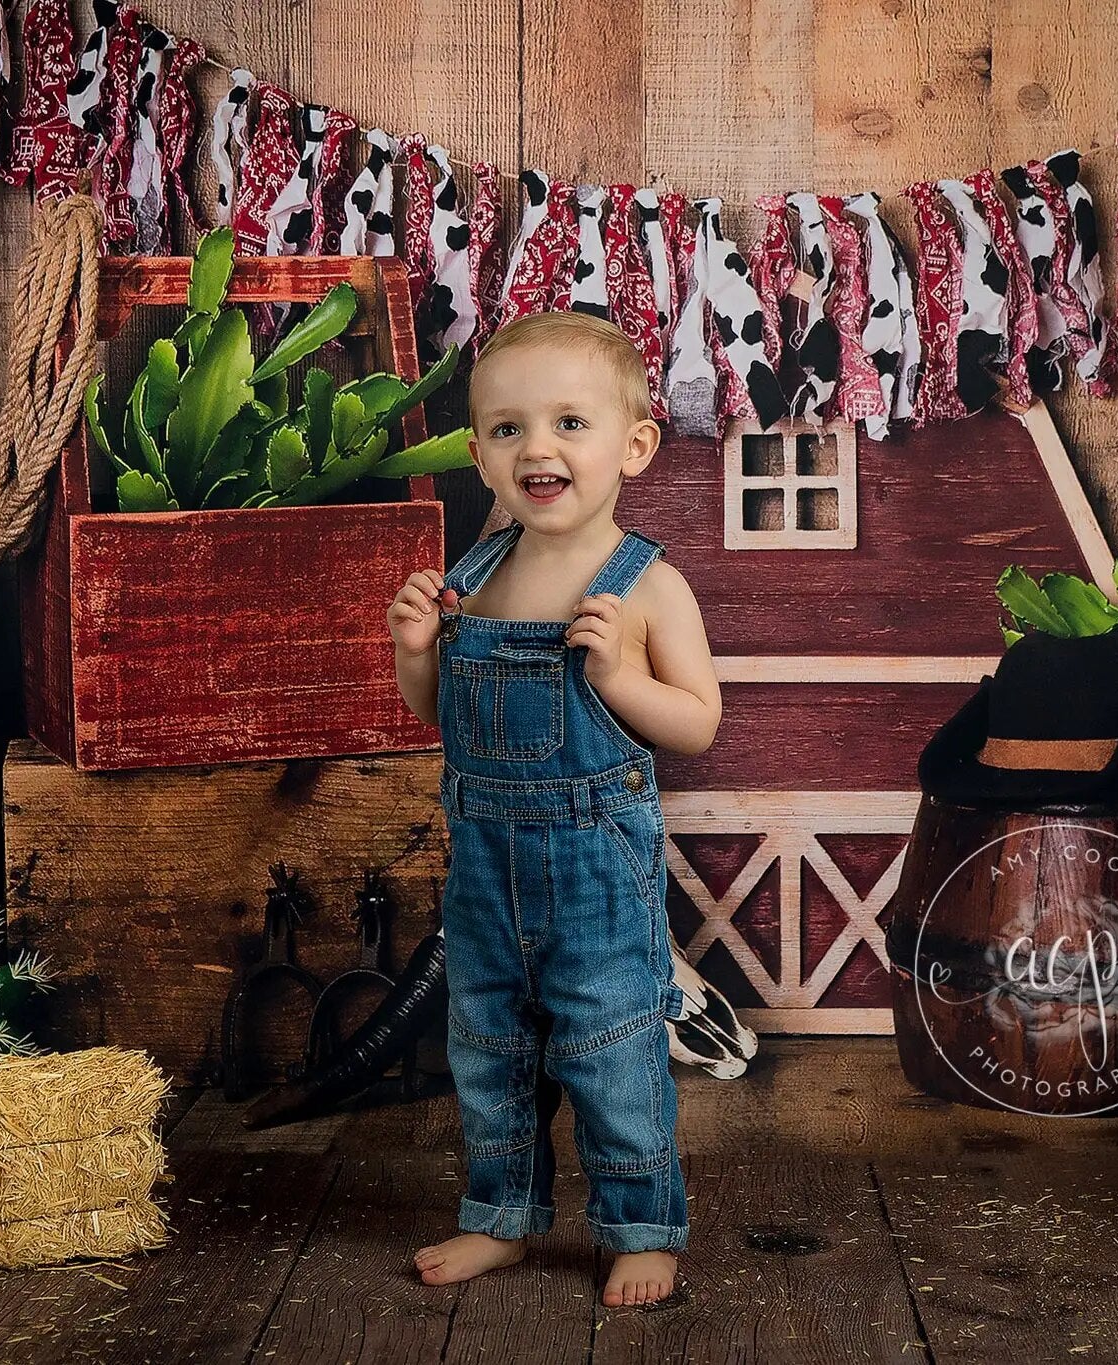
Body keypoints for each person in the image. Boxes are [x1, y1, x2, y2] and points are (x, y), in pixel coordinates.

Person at [388, 311, 722, 1308]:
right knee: (487, 1049)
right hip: (484, 862)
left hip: (594, 869)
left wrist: (619, 674)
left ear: (632, 445)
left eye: (569, 423)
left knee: (609, 1052)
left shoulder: (648, 586)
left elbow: (696, 723)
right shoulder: (472, 577)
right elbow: (441, 716)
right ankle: (499, 1218)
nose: (537, 448)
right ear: (483, 456)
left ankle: (640, 1227)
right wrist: (415, 652)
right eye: (506, 429)